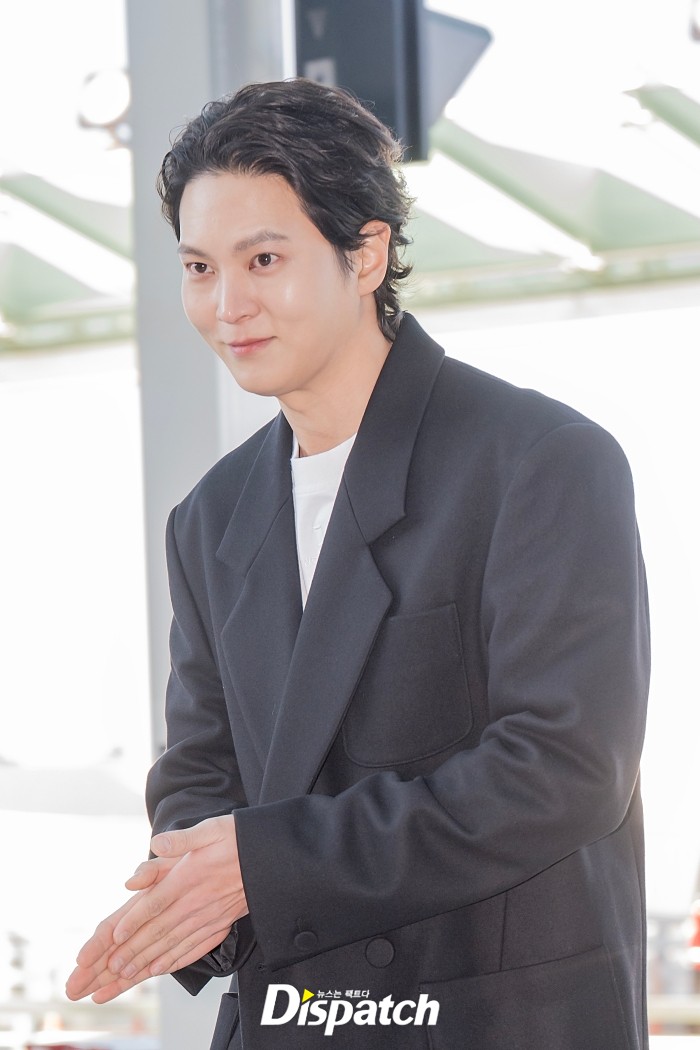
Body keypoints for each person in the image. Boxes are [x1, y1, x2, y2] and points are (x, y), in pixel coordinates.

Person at [66, 78, 650, 1049]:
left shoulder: (540, 460)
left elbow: (564, 768)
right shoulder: (209, 517)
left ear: (366, 252)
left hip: (487, 1021)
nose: (227, 305)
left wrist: (260, 866)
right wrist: (190, 887)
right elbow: (200, 768)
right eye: (200, 267)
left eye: (264, 259)